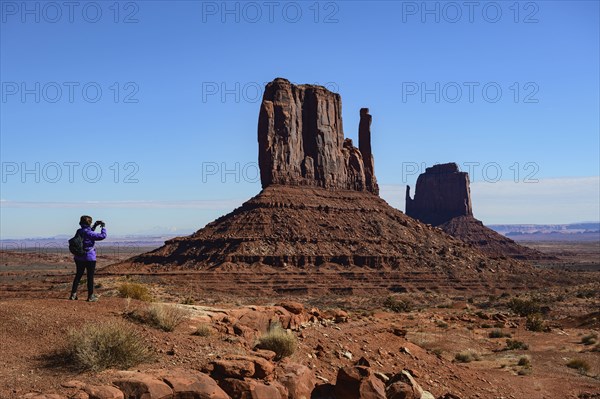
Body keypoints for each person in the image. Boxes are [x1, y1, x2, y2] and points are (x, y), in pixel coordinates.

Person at [69, 215, 107, 302]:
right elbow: (102, 236)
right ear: (89, 223)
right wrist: (103, 227)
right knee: (90, 277)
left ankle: (73, 295)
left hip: (78, 257)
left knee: (78, 275)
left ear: (81, 222)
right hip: (89, 257)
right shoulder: (89, 233)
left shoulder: (79, 231)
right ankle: (90, 296)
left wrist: (94, 226)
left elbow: (87, 232)